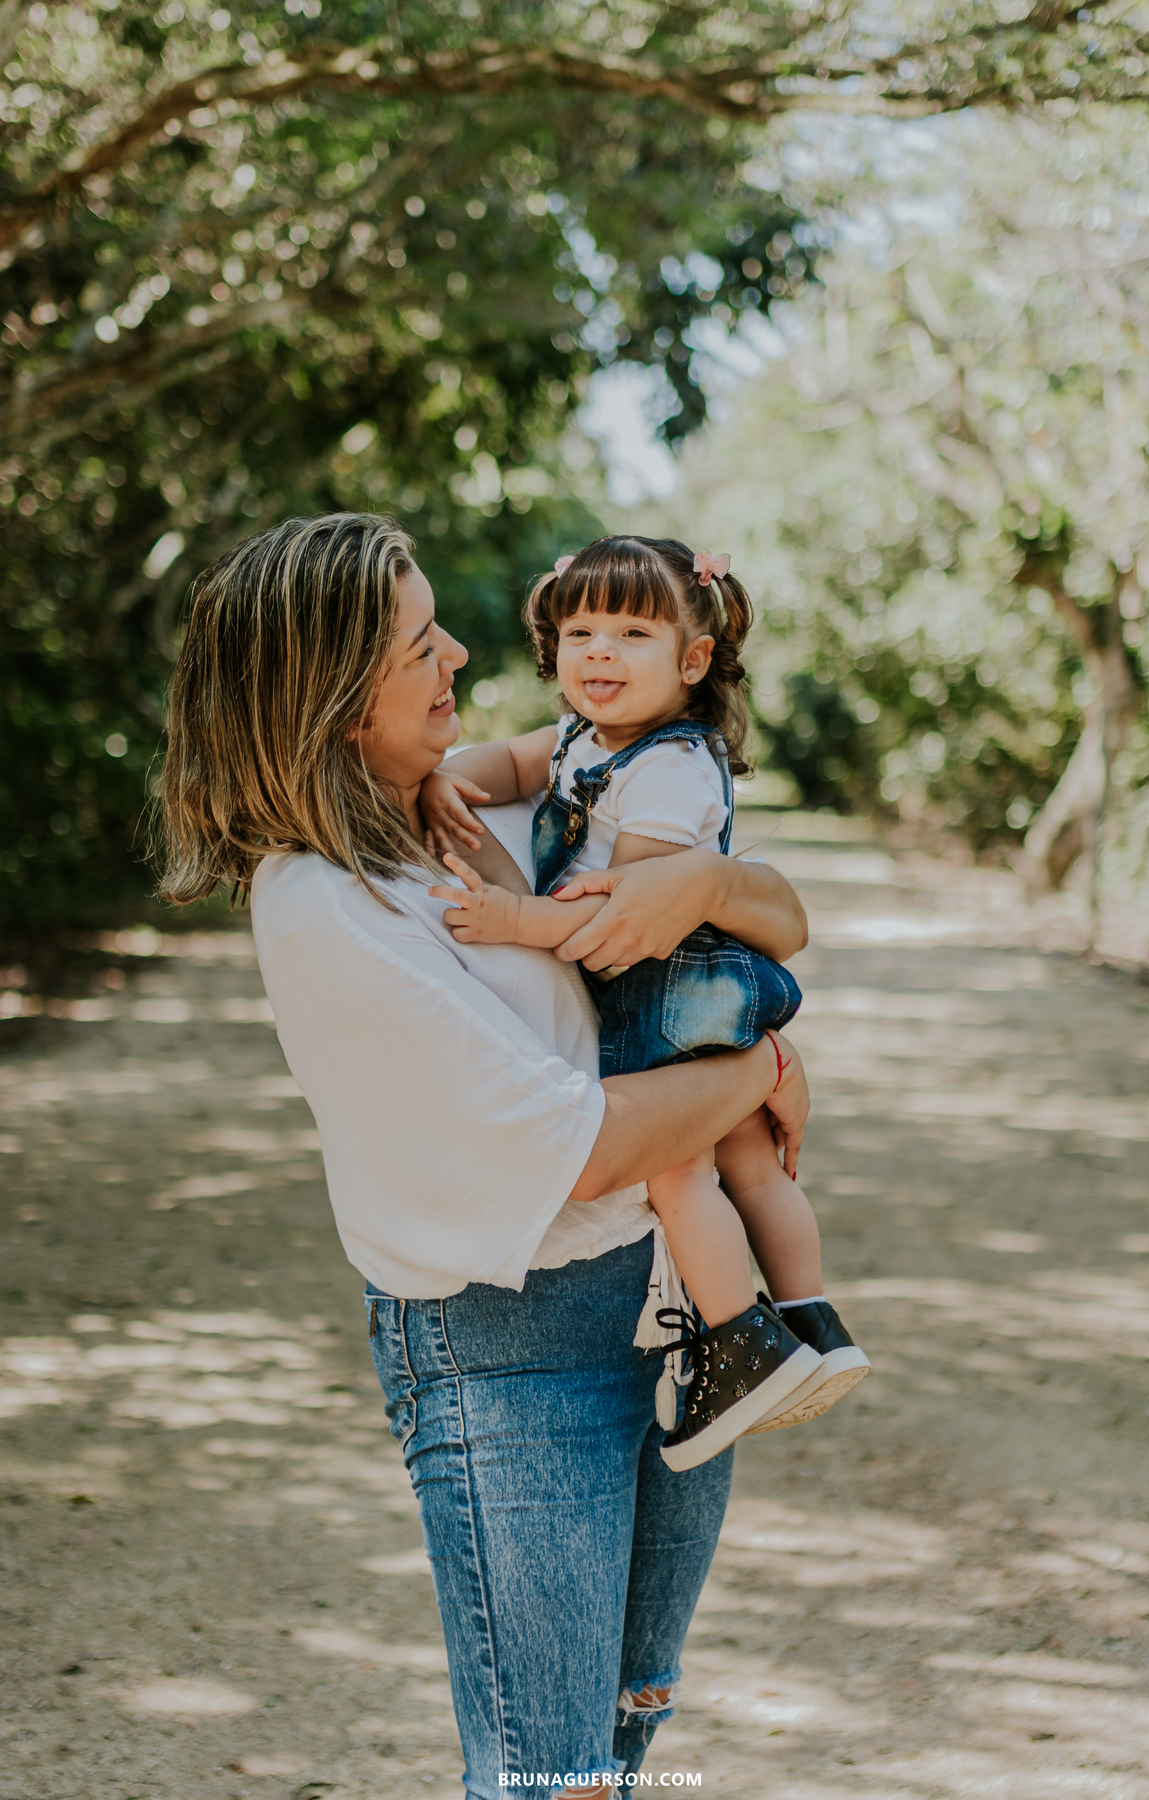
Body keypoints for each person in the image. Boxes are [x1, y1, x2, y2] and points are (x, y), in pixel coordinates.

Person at [156, 512, 813, 1798]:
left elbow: (780, 919)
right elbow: (586, 1145)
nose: (459, 651)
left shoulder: (467, 822)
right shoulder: (322, 907)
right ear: (338, 699)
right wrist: (764, 1069)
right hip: (511, 1354)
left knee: (624, 1740)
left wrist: (704, 894)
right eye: (418, 645)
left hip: (660, 1306)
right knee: (549, 1777)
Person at [419, 536, 869, 1470]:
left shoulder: (668, 767)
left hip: (668, 987)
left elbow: (621, 922)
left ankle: (739, 1340)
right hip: (698, 984)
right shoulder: (587, 739)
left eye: (631, 632)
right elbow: (506, 764)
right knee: (752, 1162)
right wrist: (441, 779)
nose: (598, 653)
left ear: (693, 660)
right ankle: (812, 1323)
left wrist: (510, 917)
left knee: (679, 1172)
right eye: (579, 630)